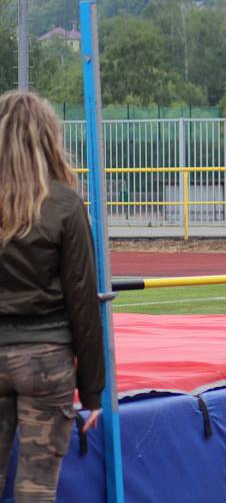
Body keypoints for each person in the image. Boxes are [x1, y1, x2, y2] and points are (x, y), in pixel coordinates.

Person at [0, 90, 105, 501]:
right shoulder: (63, 204)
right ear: (47, 139)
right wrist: (93, 389)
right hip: (46, 359)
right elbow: (83, 301)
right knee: (36, 489)